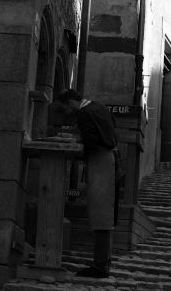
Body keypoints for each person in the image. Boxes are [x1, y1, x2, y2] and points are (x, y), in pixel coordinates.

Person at [61, 88, 121, 278]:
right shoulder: (99, 107)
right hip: (110, 159)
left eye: (66, 109)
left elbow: (91, 142)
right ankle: (104, 263)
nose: (68, 113)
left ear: (71, 103)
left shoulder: (84, 113)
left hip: (100, 161)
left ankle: (100, 266)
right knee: (105, 214)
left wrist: (74, 140)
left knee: (100, 214)